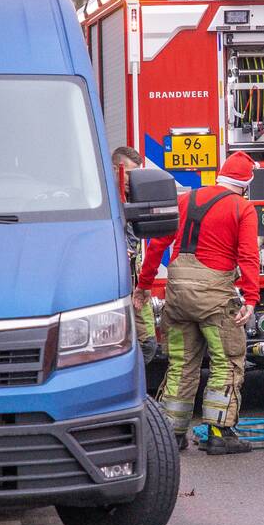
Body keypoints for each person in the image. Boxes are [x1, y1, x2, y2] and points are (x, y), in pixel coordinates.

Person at [134, 151, 260, 455]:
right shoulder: (242, 207)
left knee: (181, 363)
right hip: (214, 299)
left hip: (177, 297)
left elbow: (158, 245)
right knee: (226, 362)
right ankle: (219, 432)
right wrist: (251, 297)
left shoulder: (184, 200)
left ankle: (170, 434)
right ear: (245, 184)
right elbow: (248, 256)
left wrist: (144, 286)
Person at [112, 146, 158, 365]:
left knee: (148, 346)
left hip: (134, 286)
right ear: (115, 169)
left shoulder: (133, 200)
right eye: (129, 174)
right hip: (114, 289)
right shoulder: (100, 202)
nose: (133, 180)